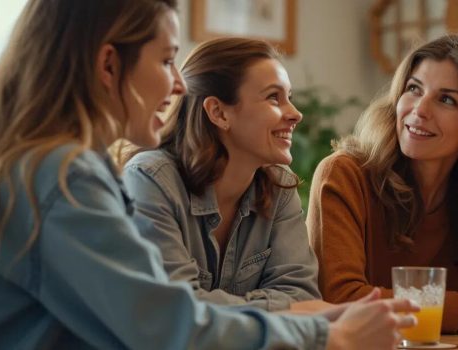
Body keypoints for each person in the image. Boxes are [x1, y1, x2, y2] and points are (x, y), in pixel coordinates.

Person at [0, 0, 418, 348]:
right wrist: (324, 336)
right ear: (107, 65)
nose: (179, 85)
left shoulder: (43, 163)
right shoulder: (62, 176)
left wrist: (313, 321)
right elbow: (164, 325)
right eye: (165, 61)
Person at [308, 34, 458, 334]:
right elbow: (342, 301)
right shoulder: (344, 175)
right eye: (414, 89)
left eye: (446, 99)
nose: (419, 110)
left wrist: (449, 316)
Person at [122, 37, 321, 312]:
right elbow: (175, 311)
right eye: (274, 97)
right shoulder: (149, 180)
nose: (296, 114)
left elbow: (302, 295)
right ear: (218, 113)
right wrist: (280, 310)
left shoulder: (280, 186)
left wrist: (216, 309)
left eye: (290, 98)